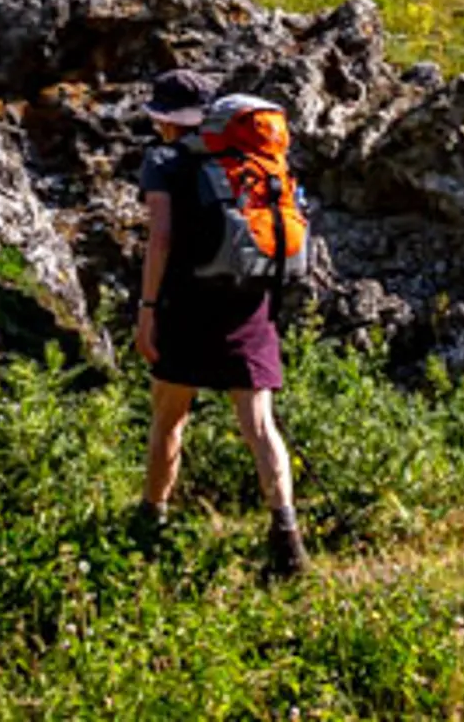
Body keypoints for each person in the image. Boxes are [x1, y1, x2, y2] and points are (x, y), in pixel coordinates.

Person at [132, 67, 307, 577]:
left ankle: (150, 526)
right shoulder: (252, 160)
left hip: (186, 301)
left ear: (166, 120)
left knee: (169, 417)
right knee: (259, 424)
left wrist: (146, 311)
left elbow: (159, 239)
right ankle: (287, 538)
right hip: (248, 299)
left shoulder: (164, 161)